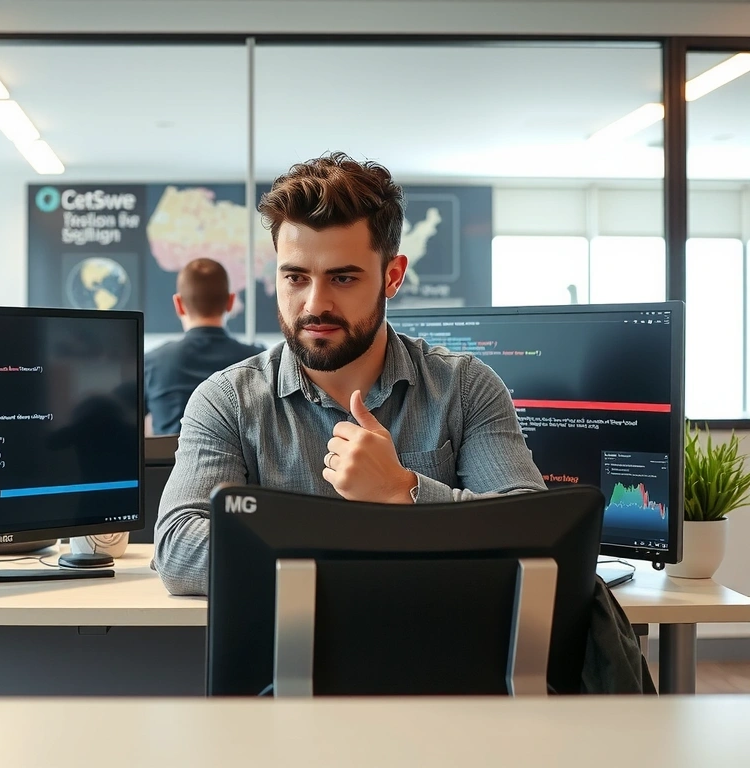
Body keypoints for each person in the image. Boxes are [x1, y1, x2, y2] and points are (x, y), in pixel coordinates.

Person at [153, 152, 546, 596]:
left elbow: (535, 534)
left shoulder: (466, 388)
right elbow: (178, 550)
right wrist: (357, 544)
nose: (315, 304)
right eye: (296, 278)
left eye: (342, 279)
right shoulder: (227, 401)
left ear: (392, 277)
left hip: (436, 656)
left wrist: (403, 491)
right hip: (287, 659)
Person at [144, 257, 264, 436]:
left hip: (171, 464)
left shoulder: (152, 363)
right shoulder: (258, 361)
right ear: (230, 302)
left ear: (178, 304)